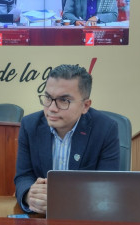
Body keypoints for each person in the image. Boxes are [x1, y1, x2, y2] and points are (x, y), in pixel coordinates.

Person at [14, 64, 120, 214]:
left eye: (64, 100)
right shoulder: (29, 125)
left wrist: (62, 200)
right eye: (48, 98)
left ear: (85, 106)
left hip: (85, 215)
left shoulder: (105, 129)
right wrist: (29, 195)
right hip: (41, 218)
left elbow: (107, 186)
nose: (52, 108)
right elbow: (23, 176)